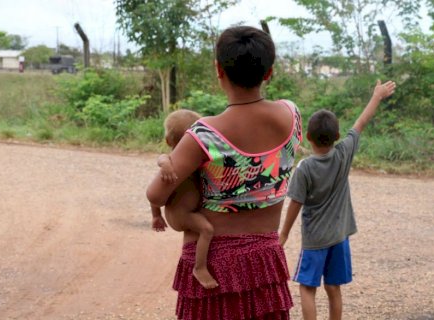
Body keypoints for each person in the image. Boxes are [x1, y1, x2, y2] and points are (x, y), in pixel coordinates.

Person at [147, 25, 303, 320]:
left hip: (213, 266)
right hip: (264, 262)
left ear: (219, 70)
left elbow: (156, 193)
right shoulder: (291, 115)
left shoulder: (204, 135)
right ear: (268, 73)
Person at [279, 80, 396, 320]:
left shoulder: (304, 168)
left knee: (307, 288)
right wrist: (377, 95)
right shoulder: (344, 153)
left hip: (314, 240)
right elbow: (361, 122)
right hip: (339, 237)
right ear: (338, 136)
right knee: (333, 288)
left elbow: (295, 204)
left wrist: (284, 234)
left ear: (308, 137)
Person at [150, 109, 218, 289]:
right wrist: (165, 164)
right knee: (207, 229)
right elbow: (155, 192)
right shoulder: (171, 161)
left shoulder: (197, 158)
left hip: (188, 211)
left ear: (168, 139)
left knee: (202, 230)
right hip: (181, 214)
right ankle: (200, 267)